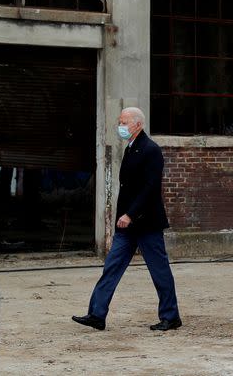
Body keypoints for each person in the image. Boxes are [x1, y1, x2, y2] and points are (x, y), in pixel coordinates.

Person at [72, 107, 182, 331]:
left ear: (138, 125)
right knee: (111, 267)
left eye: (124, 122)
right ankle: (97, 314)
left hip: (146, 223)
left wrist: (130, 214)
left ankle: (171, 317)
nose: (120, 126)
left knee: (159, 270)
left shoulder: (151, 150)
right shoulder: (131, 148)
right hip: (127, 225)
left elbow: (150, 189)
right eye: (120, 122)